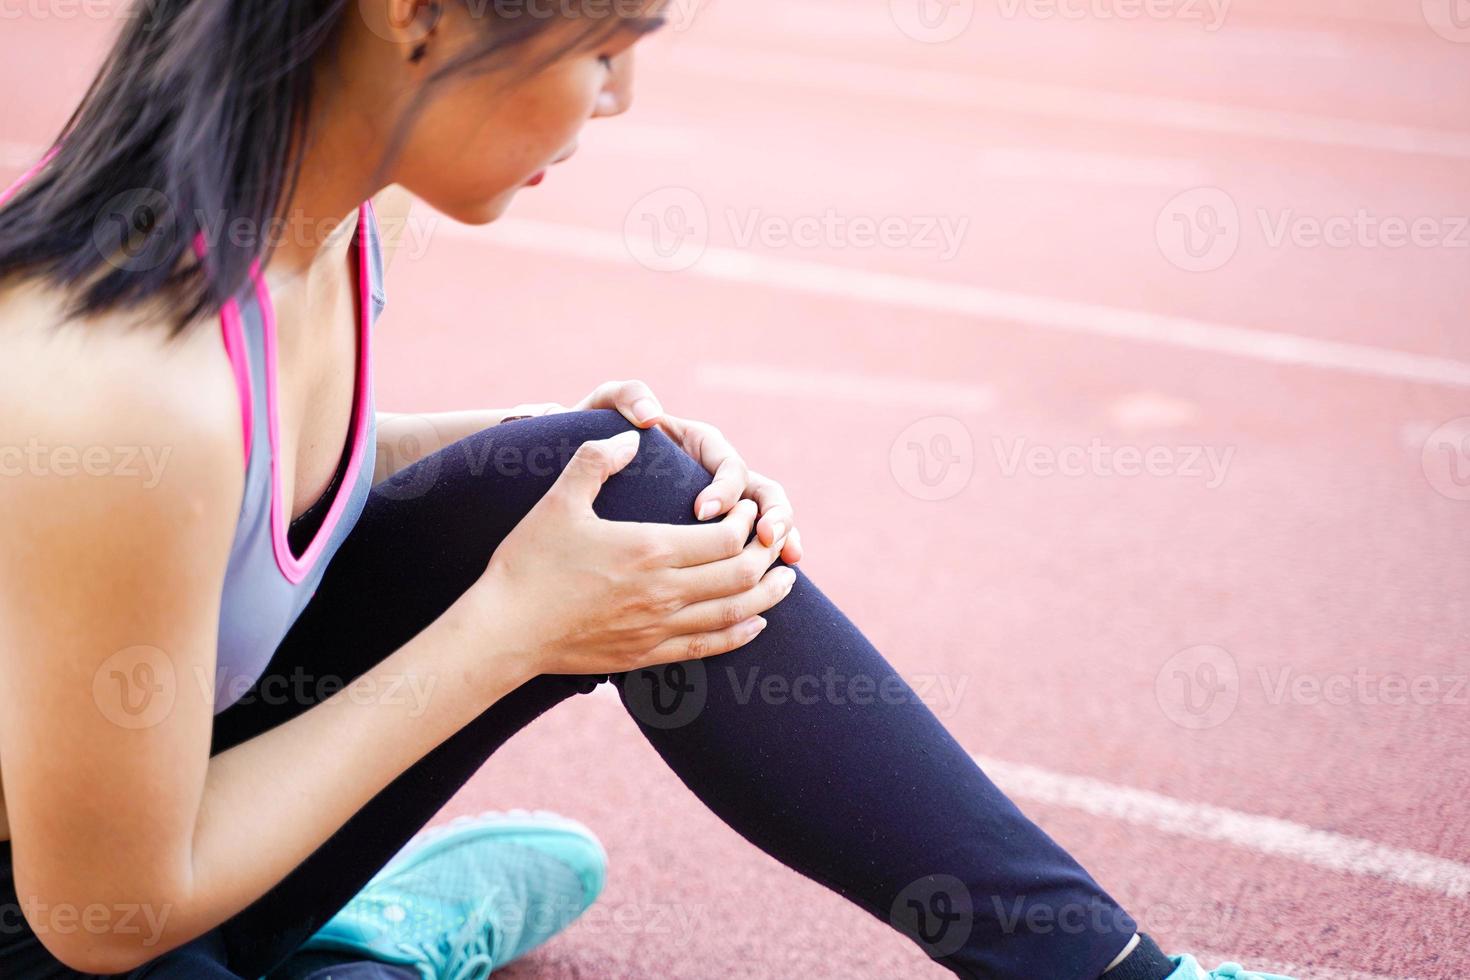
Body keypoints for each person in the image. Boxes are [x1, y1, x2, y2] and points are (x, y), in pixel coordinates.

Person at [0, 2, 1293, 978]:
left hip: (123, 830)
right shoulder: (119, 385)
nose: (617, 99)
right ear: (416, 13)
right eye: (605, 45)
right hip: (70, 921)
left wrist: (561, 454)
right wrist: (509, 629)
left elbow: (250, 485)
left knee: (633, 493)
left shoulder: (341, 217)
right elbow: (106, 916)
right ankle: (366, 949)